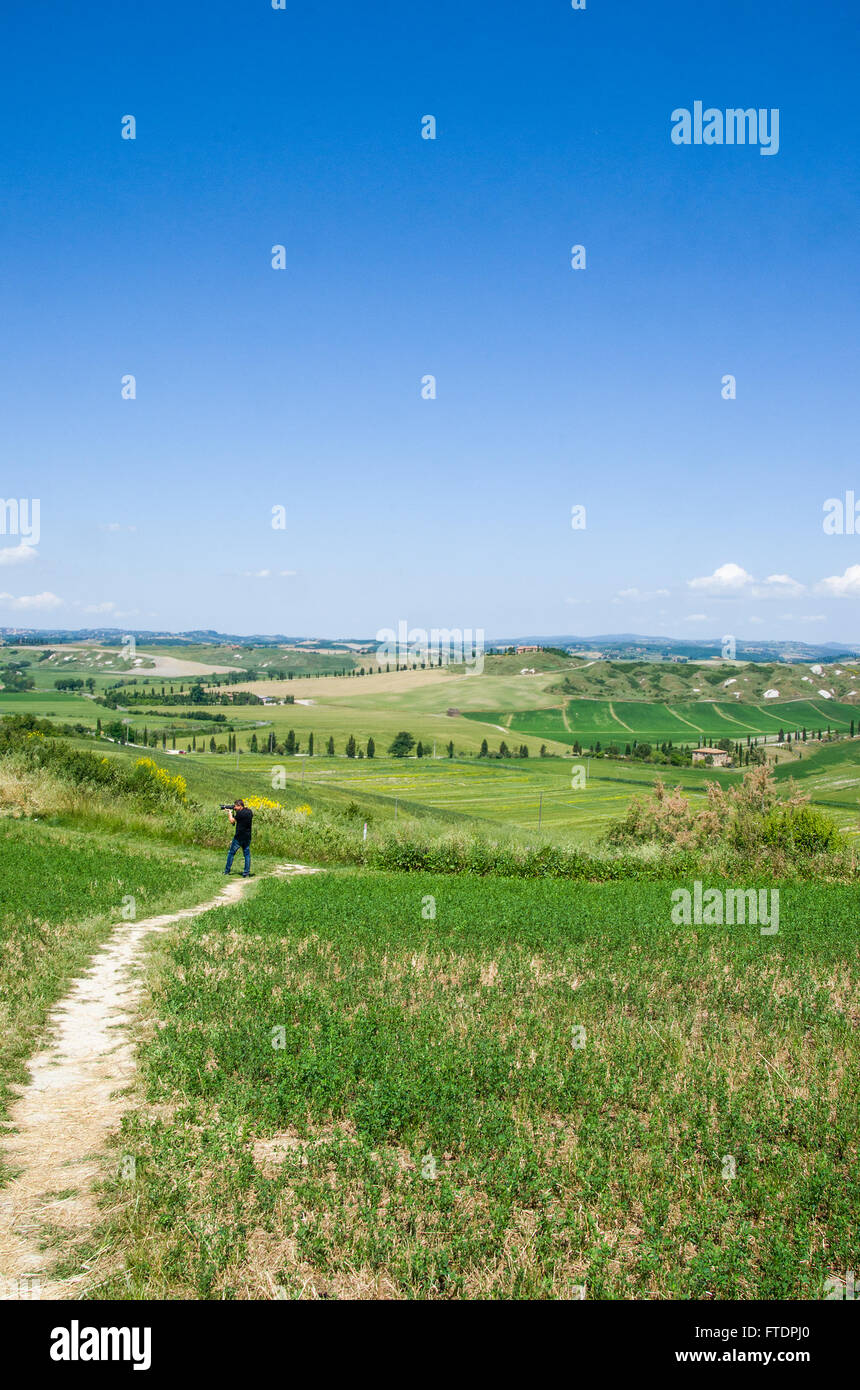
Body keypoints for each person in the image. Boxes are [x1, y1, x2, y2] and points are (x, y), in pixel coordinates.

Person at [224, 798, 253, 877]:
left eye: (235, 807)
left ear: (240, 806)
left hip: (239, 837)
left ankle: (226, 871)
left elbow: (232, 821)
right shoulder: (250, 812)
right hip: (247, 836)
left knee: (231, 853)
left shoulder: (240, 814)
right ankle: (246, 873)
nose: (235, 808)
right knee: (247, 854)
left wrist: (229, 812)